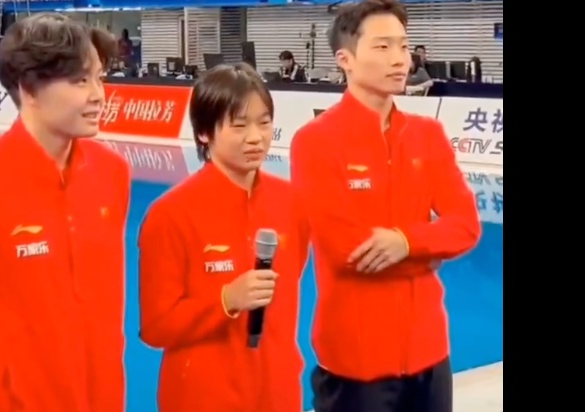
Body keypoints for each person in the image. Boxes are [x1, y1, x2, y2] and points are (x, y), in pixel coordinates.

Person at [290, 1, 481, 411]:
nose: (400, 59)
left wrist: (405, 243)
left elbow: (466, 225)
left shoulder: (427, 135)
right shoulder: (315, 142)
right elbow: (345, 251)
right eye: (383, 46)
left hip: (430, 353)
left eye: (404, 46)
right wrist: (430, 251)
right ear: (345, 59)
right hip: (355, 361)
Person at [0, 13, 130, 412]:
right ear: (29, 87)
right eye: (80, 81)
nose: (99, 95)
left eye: (99, 78)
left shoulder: (112, 174)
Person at [138, 62, 309, 412]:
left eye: (264, 123)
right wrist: (225, 300)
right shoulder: (170, 214)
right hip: (203, 397)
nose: (256, 137)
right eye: (239, 125)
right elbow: (156, 327)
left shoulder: (291, 202)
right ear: (205, 133)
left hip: (278, 392)